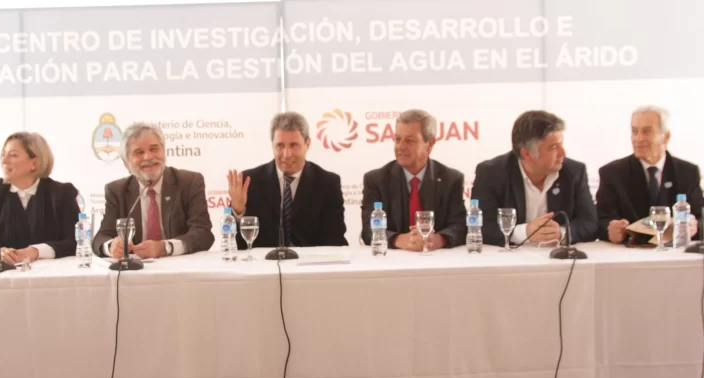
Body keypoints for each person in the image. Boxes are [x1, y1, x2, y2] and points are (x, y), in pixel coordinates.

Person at [471, 110, 598, 246]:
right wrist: (525, 233)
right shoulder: (491, 173)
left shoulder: (574, 172)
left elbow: (590, 223)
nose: (563, 153)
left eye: (561, 144)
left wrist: (561, 233)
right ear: (526, 154)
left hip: (555, 256)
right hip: (508, 256)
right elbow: (480, 226)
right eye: (553, 147)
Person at [92, 122, 214, 258]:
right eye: (139, 152)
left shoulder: (189, 182)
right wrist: (111, 247)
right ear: (126, 162)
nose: (148, 157)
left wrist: (165, 248)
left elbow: (203, 234)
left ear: (164, 152)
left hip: (180, 267)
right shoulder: (117, 190)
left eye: (154, 149)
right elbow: (101, 238)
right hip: (137, 268)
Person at [227, 112, 347, 248]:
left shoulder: (328, 183)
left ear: (307, 144)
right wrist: (238, 211)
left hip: (311, 261)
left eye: (293, 145)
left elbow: (335, 241)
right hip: (263, 261)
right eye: (280, 146)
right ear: (272, 145)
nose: (287, 154)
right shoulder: (249, 182)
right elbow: (236, 245)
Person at [361, 109, 466, 250]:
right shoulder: (376, 180)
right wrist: (398, 239)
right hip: (392, 260)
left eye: (410, 140)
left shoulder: (451, 179)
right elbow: (368, 230)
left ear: (430, 144)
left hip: (437, 259)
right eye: (398, 139)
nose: (401, 147)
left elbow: (460, 226)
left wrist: (440, 239)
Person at [596, 105, 701, 243]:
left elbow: (700, 217)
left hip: (674, 251)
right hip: (628, 252)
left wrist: (695, 226)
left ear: (666, 137)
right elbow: (600, 220)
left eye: (647, 131)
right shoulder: (612, 173)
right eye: (634, 131)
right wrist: (610, 229)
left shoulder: (688, 172)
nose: (638, 138)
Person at [0, 132, 80, 264]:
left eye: (13, 155)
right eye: (3, 154)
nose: (4, 161)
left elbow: (75, 242)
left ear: (34, 163)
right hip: (5, 273)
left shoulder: (62, 193)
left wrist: (36, 251)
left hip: (50, 274)